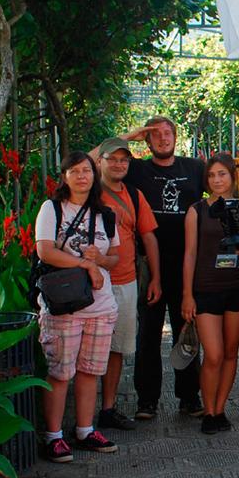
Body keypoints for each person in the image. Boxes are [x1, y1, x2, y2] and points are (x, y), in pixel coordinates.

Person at [109, 116, 205, 420]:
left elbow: (222, 184)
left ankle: (189, 396)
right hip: (147, 264)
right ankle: (147, 399)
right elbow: (96, 157)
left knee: (186, 329)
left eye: (168, 133)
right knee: (148, 332)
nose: (163, 139)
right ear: (147, 142)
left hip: (187, 261)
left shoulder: (194, 168)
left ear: (176, 137)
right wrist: (129, 135)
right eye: (156, 135)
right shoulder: (137, 169)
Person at [36, 152, 120, 462]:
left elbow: (115, 258)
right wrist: (87, 264)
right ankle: (53, 436)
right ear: (65, 176)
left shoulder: (105, 214)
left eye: (86, 170)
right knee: (60, 372)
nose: (82, 176)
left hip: (100, 305)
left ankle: (85, 429)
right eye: (75, 171)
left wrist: (100, 261)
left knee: (89, 371)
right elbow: (45, 251)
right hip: (63, 305)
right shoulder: (52, 209)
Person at [181, 153, 239, 434]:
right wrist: (187, 294)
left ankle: (220, 409)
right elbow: (189, 254)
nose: (216, 180)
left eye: (222, 174)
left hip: (236, 289)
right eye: (211, 175)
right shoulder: (196, 211)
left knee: (231, 353)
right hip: (205, 289)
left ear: (232, 177)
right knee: (213, 354)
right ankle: (207, 409)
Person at [95, 138, 160, 432]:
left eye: (124, 159)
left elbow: (148, 236)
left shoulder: (134, 196)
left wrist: (156, 277)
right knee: (88, 347)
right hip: (89, 281)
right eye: (112, 158)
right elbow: (70, 165)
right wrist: (132, 134)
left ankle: (107, 408)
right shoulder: (88, 190)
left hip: (125, 279)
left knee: (117, 347)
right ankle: (83, 415)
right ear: (101, 161)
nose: (119, 164)